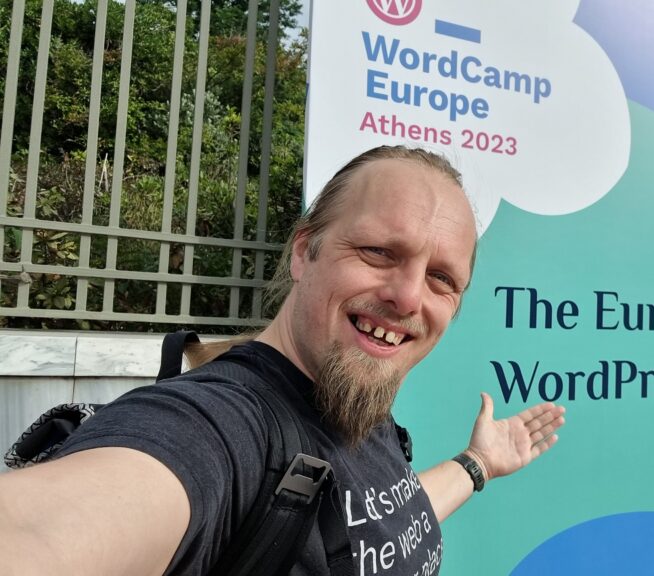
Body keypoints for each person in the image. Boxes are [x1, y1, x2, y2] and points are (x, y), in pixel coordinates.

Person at [0, 145, 566, 575]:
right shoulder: (222, 426)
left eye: (442, 279)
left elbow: (385, 521)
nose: (410, 297)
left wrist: (477, 464)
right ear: (304, 251)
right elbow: (51, 531)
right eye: (377, 252)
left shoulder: (355, 410)